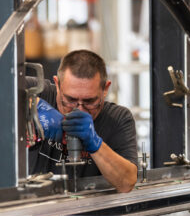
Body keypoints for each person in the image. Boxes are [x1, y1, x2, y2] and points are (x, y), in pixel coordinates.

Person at [28, 50, 137, 193]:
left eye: (89, 101)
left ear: (105, 89)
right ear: (58, 84)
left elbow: (127, 183)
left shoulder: (118, 119)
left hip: (91, 211)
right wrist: (32, 104)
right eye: (70, 100)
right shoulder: (41, 92)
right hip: (36, 206)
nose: (79, 109)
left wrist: (95, 144)